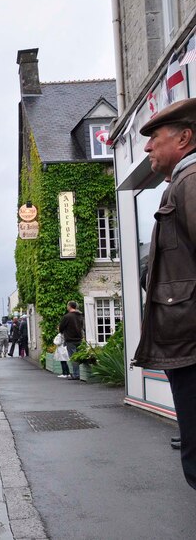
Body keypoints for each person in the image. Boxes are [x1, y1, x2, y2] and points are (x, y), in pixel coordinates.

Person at [133, 97, 196, 490]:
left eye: (155, 137)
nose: (146, 147)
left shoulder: (190, 182)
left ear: (185, 138)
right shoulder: (180, 184)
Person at [58, 301, 85, 380]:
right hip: (79, 338)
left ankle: (76, 374)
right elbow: (82, 327)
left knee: (74, 358)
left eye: (67, 306)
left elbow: (61, 328)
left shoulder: (67, 316)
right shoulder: (80, 315)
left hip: (70, 339)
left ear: (69, 306)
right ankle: (82, 374)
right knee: (80, 357)